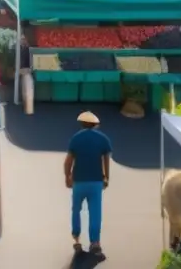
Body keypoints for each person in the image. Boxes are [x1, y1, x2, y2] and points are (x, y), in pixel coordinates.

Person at [64, 111, 111, 260]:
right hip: (96, 181)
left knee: (76, 210)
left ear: (82, 123)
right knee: (95, 212)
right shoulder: (103, 139)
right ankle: (95, 242)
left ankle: (77, 239)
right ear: (95, 125)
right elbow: (106, 160)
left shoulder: (76, 138)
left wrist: (68, 176)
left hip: (79, 181)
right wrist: (106, 178)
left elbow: (68, 161)